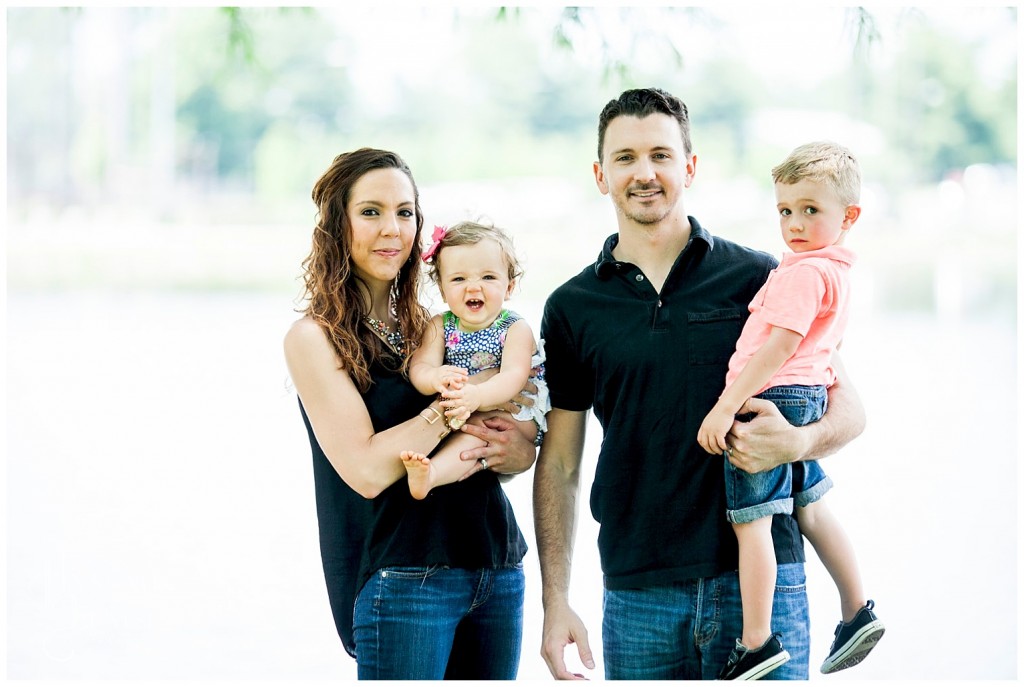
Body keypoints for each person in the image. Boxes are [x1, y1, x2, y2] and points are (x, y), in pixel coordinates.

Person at [533, 88, 867, 681]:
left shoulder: (764, 276)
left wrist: (796, 443)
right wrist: (555, 599)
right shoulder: (571, 308)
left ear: (689, 166)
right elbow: (559, 463)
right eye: (626, 157)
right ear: (600, 174)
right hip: (638, 592)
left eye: (661, 154)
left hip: (764, 586)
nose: (645, 172)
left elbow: (849, 409)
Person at [283, 148, 538, 680]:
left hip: (495, 564)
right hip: (404, 577)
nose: (392, 229)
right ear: (337, 224)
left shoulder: (434, 323)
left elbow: (496, 443)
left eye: (404, 212)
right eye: (371, 212)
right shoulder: (314, 339)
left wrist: (516, 451)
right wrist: (454, 407)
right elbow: (371, 471)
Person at [697, 141, 884, 679]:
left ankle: (755, 641)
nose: (794, 224)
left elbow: (778, 346)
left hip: (769, 398)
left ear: (849, 216)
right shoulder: (835, 271)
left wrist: (725, 408)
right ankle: (856, 611)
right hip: (805, 397)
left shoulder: (803, 273)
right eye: (785, 210)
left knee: (752, 523)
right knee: (813, 509)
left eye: (810, 210)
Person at [402, 220, 549, 499]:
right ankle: (434, 471)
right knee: (466, 430)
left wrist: (477, 396)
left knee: (477, 432)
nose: (473, 288)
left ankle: (432, 474)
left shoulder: (514, 327)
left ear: (509, 286)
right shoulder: (439, 325)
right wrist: (434, 377)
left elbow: (513, 377)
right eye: (459, 279)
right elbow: (419, 369)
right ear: (443, 290)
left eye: (488, 277)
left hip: (514, 414)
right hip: (467, 407)